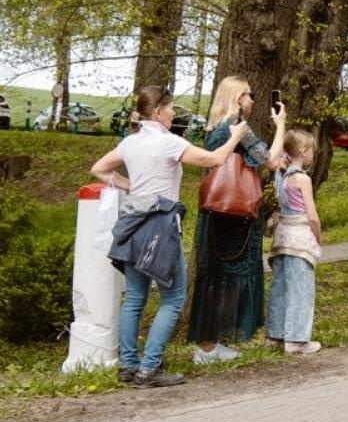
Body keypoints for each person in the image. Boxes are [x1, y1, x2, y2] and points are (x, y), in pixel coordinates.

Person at [91, 85, 249, 388]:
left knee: (135, 297)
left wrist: (132, 187)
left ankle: (128, 366)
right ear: (159, 111)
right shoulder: (169, 143)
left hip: (132, 223)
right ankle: (149, 368)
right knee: (174, 297)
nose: (174, 113)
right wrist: (236, 137)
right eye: (172, 108)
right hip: (161, 227)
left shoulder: (130, 143)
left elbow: (98, 169)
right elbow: (215, 160)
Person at [187, 77, 286, 364]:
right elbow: (270, 159)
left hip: (219, 212)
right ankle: (208, 347)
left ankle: (210, 343)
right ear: (236, 98)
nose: (253, 99)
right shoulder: (237, 127)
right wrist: (280, 125)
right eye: (249, 94)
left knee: (217, 276)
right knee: (228, 276)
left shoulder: (216, 127)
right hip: (233, 214)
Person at [266, 129, 323, 355]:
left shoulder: (281, 176)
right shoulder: (302, 178)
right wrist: (317, 236)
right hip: (300, 236)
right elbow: (312, 215)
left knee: (280, 287)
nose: (312, 156)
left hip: (282, 235)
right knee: (301, 289)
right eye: (311, 151)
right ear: (302, 151)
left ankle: (275, 334)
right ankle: (297, 339)